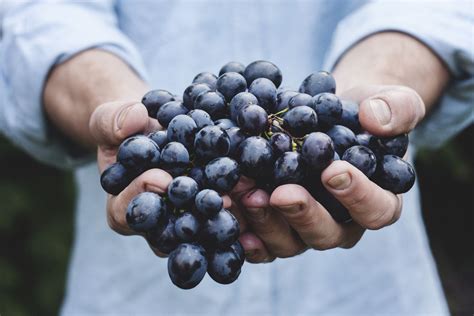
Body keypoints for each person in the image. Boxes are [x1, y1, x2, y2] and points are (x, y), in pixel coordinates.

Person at [0, 1, 472, 315]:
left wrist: (377, 90)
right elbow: (39, 15)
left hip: (367, 293)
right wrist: (116, 107)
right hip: (135, 293)